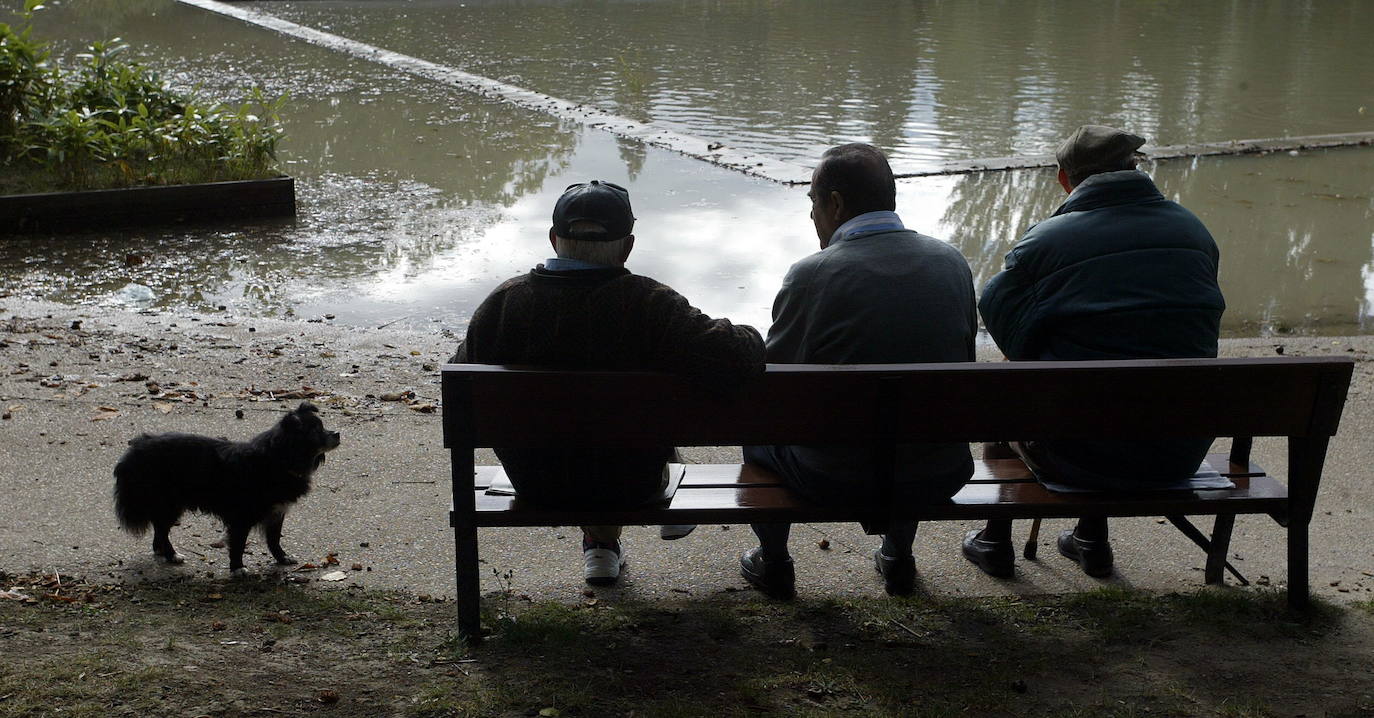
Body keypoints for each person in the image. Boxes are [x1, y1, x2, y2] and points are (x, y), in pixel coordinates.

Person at [452, 180, 764, 586]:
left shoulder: (504, 303)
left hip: (536, 482)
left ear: (554, 238)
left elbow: (461, 382)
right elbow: (735, 358)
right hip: (634, 485)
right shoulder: (650, 304)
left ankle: (600, 546)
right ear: (627, 246)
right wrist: (751, 334)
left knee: (586, 432)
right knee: (629, 425)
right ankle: (622, 528)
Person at [963, 125, 1226, 578]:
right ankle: (1090, 539)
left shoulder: (1045, 241)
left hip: (1080, 457)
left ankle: (995, 540)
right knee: (1123, 362)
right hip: (1177, 449)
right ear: (1135, 168)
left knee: (1014, 381)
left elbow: (1002, 318)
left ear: (1066, 180)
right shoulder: (1193, 231)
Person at [740, 143, 978, 599]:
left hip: (834, 477)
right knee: (912, 419)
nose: (812, 216)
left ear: (834, 203)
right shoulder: (951, 263)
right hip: (936, 470)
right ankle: (897, 556)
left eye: (812, 202)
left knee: (759, 427)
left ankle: (773, 562)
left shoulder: (812, 274)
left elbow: (771, 382)